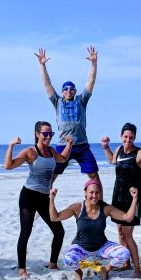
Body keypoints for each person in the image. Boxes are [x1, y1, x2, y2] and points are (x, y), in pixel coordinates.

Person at [4, 122, 74, 279]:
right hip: (28, 196)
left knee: (59, 231)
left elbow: (62, 159)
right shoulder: (30, 152)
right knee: (26, 232)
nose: (48, 137)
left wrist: (69, 144)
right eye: (45, 134)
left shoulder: (50, 151)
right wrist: (11, 145)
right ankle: (22, 270)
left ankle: (53, 264)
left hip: (44, 197)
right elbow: (8, 166)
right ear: (37, 134)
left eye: (51, 134)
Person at [101, 123, 141, 278]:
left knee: (128, 235)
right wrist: (105, 147)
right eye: (125, 137)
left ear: (135, 138)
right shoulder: (118, 150)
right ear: (121, 136)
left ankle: (137, 271)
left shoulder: (140, 154)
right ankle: (125, 263)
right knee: (120, 232)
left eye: (131, 137)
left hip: (132, 198)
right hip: (117, 196)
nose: (128, 140)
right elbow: (112, 161)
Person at [35, 46, 100, 186]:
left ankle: (99, 204)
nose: (68, 91)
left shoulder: (81, 100)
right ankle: (45, 200)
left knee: (94, 176)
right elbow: (47, 84)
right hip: (63, 145)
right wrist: (42, 65)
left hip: (82, 145)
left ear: (75, 91)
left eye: (71, 89)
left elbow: (91, 81)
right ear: (62, 91)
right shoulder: (57, 101)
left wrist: (94, 63)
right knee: (52, 175)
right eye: (65, 89)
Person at [49, 179, 138, 280]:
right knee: (68, 260)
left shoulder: (105, 208)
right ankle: (79, 272)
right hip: (81, 247)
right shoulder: (77, 208)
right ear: (85, 193)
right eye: (91, 192)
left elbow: (128, 217)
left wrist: (135, 198)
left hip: (102, 247)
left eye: (97, 192)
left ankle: (105, 270)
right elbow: (54, 218)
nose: (94, 196)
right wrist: (52, 199)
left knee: (124, 253)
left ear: (100, 193)